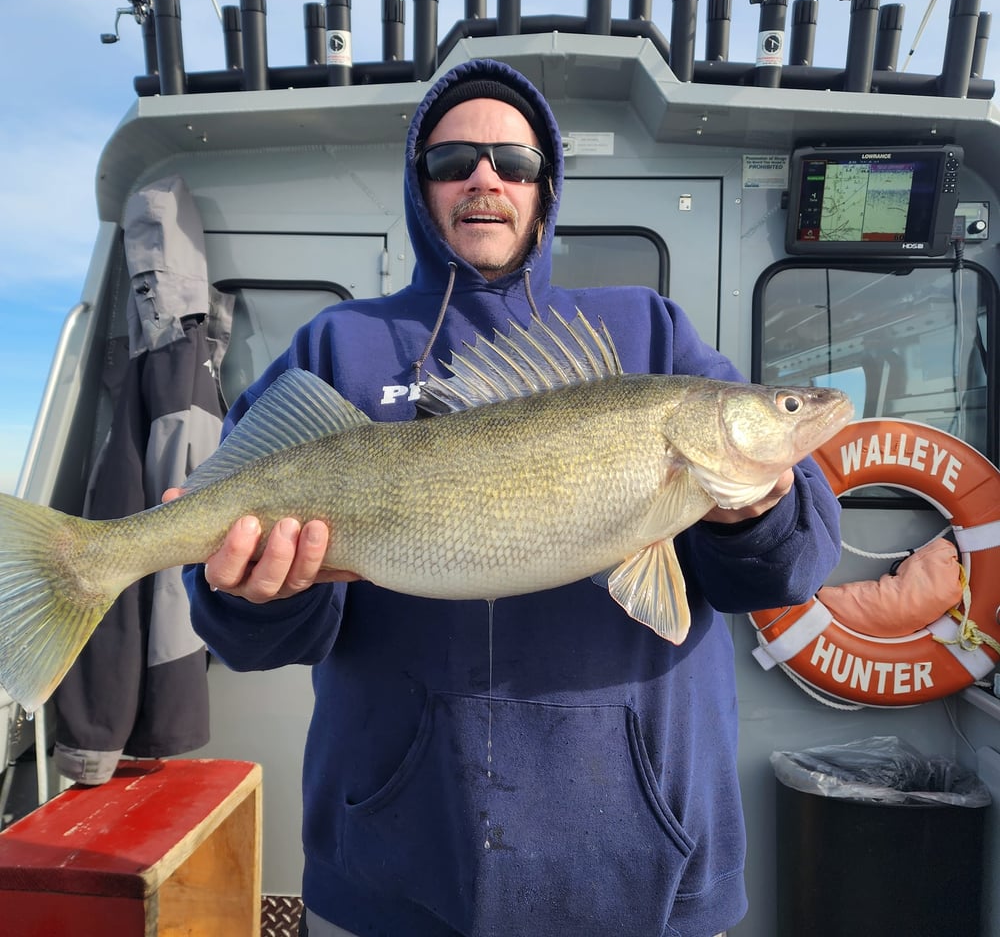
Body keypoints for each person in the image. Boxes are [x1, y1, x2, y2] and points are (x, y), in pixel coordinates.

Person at [176, 58, 841, 937]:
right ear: (422, 189)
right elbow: (252, 631)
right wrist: (249, 595)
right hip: (393, 871)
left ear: (545, 185)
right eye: (454, 161)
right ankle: (77, 560)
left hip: (645, 874)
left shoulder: (649, 332)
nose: (484, 178)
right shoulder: (337, 347)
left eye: (513, 162)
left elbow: (796, 563)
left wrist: (757, 511)